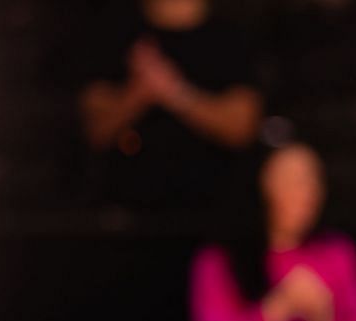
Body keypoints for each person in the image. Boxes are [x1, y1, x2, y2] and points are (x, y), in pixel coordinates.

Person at [78, 0, 264, 212]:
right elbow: (95, 130)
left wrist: (175, 92)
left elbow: (242, 128)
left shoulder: (231, 35)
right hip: (127, 210)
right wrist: (138, 93)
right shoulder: (114, 30)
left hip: (214, 208)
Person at [191, 144, 356, 321]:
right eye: (293, 180)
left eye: (313, 180)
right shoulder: (220, 259)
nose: (308, 192)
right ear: (263, 184)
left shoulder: (338, 252)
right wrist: (276, 311)